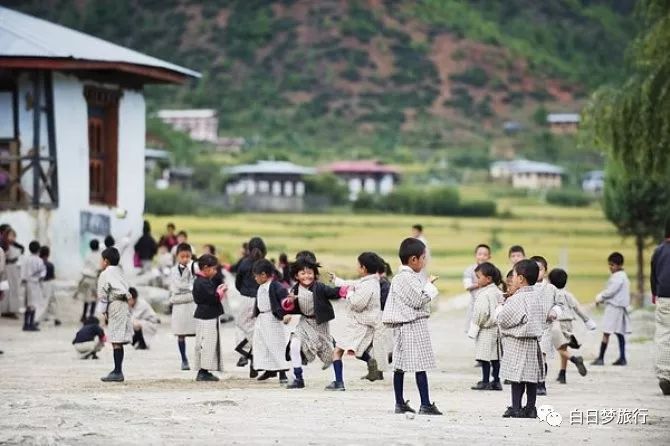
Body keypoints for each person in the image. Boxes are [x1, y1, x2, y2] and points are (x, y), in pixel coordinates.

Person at [382, 237, 442, 416]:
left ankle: (400, 403)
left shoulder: (404, 277)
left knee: (400, 365)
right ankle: (425, 403)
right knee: (419, 365)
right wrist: (430, 287)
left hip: (404, 327)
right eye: (423, 258)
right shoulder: (406, 278)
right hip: (412, 325)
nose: (425, 262)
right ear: (414, 259)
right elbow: (418, 299)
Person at [283, 255, 341, 389]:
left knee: (328, 353)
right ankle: (298, 378)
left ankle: (337, 380)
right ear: (296, 275)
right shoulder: (295, 289)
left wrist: (345, 290)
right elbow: (287, 304)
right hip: (304, 323)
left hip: (320, 324)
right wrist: (289, 304)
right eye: (302, 273)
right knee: (294, 345)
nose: (306, 276)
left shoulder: (319, 287)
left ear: (315, 274)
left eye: (309, 273)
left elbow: (333, 292)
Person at [327, 252, 383, 390]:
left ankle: (339, 382)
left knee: (337, 352)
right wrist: (337, 280)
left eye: (358, 265)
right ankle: (371, 362)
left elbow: (357, 303)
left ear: (363, 268)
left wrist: (348, 293)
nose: (357, 268)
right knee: (358, 351)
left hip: (359, 325)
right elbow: (352, 284)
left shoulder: (368, 285)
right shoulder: (371, 282)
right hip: (364, 324)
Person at [496, 259, 545, 419]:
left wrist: (499, 309)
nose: (512, 279)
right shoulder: (538, 296)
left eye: (515, 275)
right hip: (533, 342)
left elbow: (504, 319)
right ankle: (530, 408)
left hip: (518, 342)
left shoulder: (517, 299)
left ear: (521, 279)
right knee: (531, 378)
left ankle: (516, 407)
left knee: (516, 377)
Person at [548, 268, 595, 383]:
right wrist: (587, 321)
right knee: (564, 347)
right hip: (568, 323)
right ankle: (562, 374)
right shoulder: (568, 295)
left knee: (559, 348)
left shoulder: (550, 294)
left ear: (550, 281)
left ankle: (575, 359)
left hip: (557, 323)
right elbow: (578, 309)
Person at [530, 255, 564, 396]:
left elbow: (560, 304)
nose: (537, 272)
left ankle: (541, 383)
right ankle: (531, 383)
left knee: (542, 356)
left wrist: (554, 312)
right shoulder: (526, 288)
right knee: (531, 357)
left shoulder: (551, 289)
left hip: (545, 327)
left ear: (545, 271)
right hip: (529, 328)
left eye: (540, 269)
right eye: (534, 269)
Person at [97, 247, 133, 382]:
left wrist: (103, 311)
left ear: (105, 261)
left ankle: (118, 371)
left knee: (116, 339)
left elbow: (103, 293)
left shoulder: (105, 273)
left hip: (115, 304)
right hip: (124, 304)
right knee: (118, 338)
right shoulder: (120, 271)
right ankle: (117, 369)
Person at [251, 259, 290, 383]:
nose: (255, 278)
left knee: (275, 345)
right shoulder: (261, 287)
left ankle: (282, 372)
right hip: (262, 319)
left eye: (256, 276)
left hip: (272, 319)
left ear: (263, 275)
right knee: (262, 345)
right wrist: (255, 314)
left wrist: (285, 315)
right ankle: (269, 369)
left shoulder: (276, 286)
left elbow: (285, 302)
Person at [468, 262, 504, 391]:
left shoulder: (484, 294)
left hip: (486, 329)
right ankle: (496, 380)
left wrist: (477, 324)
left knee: (484, 357)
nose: (477, 280)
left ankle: (485, 381)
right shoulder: (498, 291)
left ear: (488, 278)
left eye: (478, 277)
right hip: (496, 329)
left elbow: (482, 312)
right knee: (495, 357)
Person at [233, 237, 267, 373]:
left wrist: (242, 291)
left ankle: (245, 353)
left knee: (241, 326)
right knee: (257, 329)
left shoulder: (244, 263)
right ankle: (255, 360)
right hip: (262, 299)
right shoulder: (265, 264)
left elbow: (237, 282)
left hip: (246, 298)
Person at [592, 252, 631, 366]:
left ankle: (601, 358)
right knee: (619, 332)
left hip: (614, 307)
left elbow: (611, 291)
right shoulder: (623, 276)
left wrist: (600, 297)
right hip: (619, 307)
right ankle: (622, 357)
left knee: (606, 332)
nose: (610, 267)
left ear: (618, 265)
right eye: (609, 265)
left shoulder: (618, 278)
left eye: (612, 265)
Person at [192, 253, 227, 382]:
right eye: (214, 268)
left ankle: (204, 369)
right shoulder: (203, 282)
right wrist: (220, 292)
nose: (215, 271)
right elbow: (213, 297)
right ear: (206, 268)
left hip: (203, 314)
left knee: (204, 343)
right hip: (207, 316)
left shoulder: (201, 281)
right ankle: (203, 371)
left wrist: (217, 290)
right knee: (208, 344)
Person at [169, 243, 197, 371]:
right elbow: (177, 286)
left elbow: (194, 285)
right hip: (180, 306)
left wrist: (185, 290)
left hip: (190, 305)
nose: (185, 259)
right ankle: (184, 359)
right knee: (180, 333)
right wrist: (189, 289)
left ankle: (199, 359)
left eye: (188, 256)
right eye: (182, 256)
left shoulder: (194, 268)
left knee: (198, 332)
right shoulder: (173, 270)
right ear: (177, 256)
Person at [651, 220, 670, 395]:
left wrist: (654, 293)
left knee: (664, 335)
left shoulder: (658, 250)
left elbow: (653, 274)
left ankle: (665, 374)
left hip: (663, 297)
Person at [463, 244, 492, 333]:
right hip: (474, 304)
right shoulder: (469, 270)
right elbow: (467, 286)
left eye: (485, 255)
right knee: (473, 332)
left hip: (490, 305)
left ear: (489, 256)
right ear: (475, 255)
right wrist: (481, 283)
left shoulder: (493, 270)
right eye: (480, 254)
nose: (482, 257)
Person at [75, 239, 102, 323]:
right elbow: (99, 268)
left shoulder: (87, 254)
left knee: (86, 299)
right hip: (94, 279)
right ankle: (91, 316)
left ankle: (83, 315)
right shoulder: (100, 256)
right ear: (98, 246)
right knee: (93, 298)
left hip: (85, 278)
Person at [22, 241, 46, 331]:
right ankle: (31, 324)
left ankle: (25, 324)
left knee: (28, 304)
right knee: (33, 304)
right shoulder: (39, 260)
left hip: (27, 283)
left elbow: (23, 272)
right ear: (39, 250)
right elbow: (42, 273)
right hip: (35, 284)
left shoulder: (26, 259)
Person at [0, 228, 23, 319]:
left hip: (13, 271)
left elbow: (21, 250)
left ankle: (12, 310)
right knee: (5, 289)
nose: (12, 237)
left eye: (13, 236)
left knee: (14, 289)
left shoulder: (15, 246)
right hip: (5, 270)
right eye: (10, 235)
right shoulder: (3, 245)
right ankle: (4, 310)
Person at [37, 246, 60, 326]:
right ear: (48, 254)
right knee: (51, 302)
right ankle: (40, 319)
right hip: (49, 284)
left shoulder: (38, 263)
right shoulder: (50, 264)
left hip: (40, 283)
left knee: (43, 301)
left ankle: (49, 317)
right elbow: (53, 276)